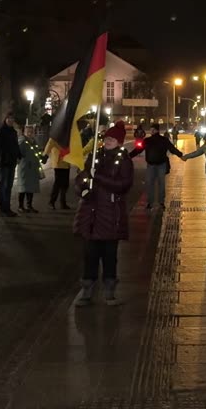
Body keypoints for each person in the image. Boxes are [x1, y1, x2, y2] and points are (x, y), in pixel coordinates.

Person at [75, 122, 134, 307]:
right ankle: (87, 289)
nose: (108, 141)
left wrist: (98, 177)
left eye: (112, 139)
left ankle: (109, 290)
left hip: (111, 214)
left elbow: (123, 185)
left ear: (119, 142)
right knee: (90, 254)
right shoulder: (95, 156)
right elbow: (82, 177)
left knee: (109, 255)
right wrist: (83, 189)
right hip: (92, 213)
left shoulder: (124, 160)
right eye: (106, 138)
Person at [130, 124, 183, 213]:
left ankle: (151, 203)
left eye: (152, 130)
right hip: (160, 164)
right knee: (160, 184)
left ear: (156, 130)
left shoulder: (148, 140)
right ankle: (160, 202)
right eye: (151, 130)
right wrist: (181, 155)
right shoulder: (163, 140)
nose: (151, 131)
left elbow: (138, 150)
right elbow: (172, 149)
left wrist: (129, 156)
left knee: (150, 184)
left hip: (152, 164)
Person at [0, 114, 21, 218]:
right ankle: (3, 208)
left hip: (12, 161)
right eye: (9, 118)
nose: (11, 120)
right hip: (4, 161)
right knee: (3, 185)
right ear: (5, 119)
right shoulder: (1, 131)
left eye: (12, 119)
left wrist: (18, 155)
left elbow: (15, 145)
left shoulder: (13, 132)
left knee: (9, 186)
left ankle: (7, 207)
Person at [13, 126, 44, 213]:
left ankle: (29, 205)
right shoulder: (22, 142)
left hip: (33, 168)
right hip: (25, 168)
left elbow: (37, 153)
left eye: (31, 132)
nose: (30, 133)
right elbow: (18, 154)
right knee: (23, 188)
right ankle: (20, 206)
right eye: (28, 132)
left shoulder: (34, 142)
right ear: (24, 132)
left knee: (31, 188)